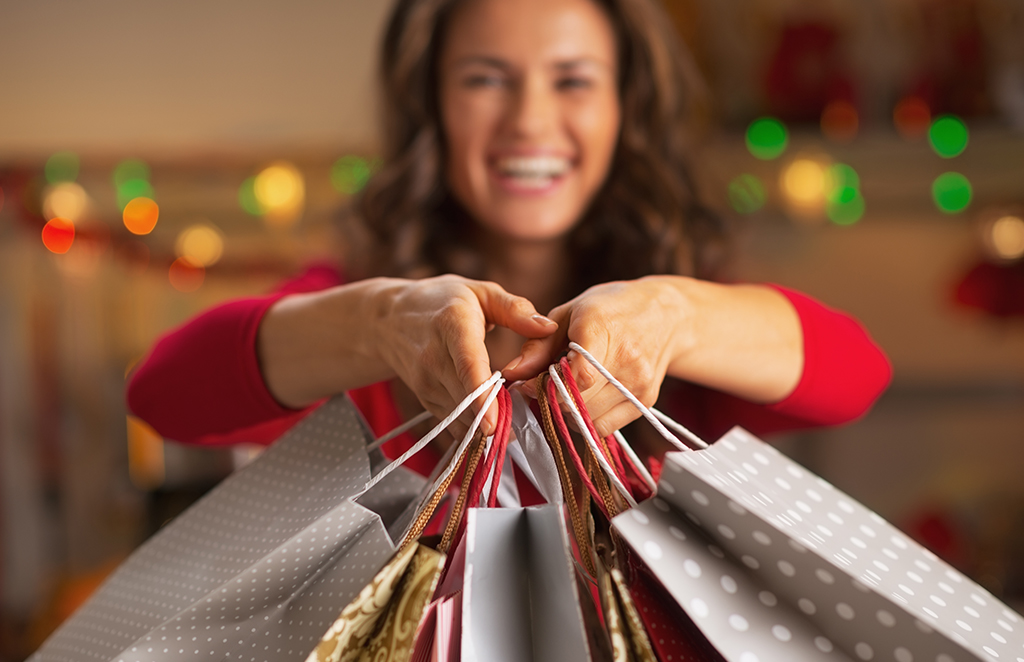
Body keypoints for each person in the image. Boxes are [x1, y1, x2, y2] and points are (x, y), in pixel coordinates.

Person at [127, 0, 891, 479]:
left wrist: (675, 315)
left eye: (573, 80)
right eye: (486, 78)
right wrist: (377, 324)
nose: (528, 120)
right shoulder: (352, 311)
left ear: (625, 106)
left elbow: (856, 373)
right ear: (433, 105)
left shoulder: (684, 324)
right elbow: (163, 393)